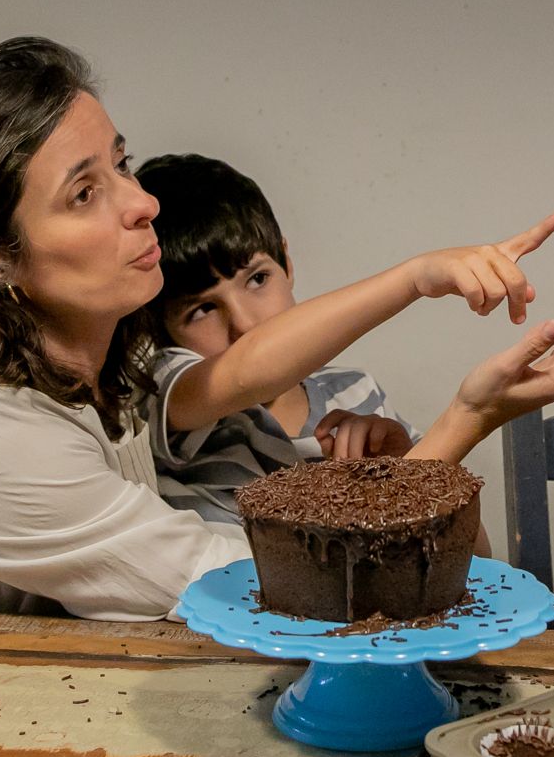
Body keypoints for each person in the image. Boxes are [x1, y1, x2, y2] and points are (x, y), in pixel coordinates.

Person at [0, 37, 554, 621]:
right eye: (84, 194)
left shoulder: (106, 374)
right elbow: (292, 584)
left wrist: (418, 281)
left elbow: (242, 374)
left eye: (122, 165)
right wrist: (471, 417)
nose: (142, 202)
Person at [133, 153, 422, 524]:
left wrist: (403, 471)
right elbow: (250, 370)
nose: (245, 324)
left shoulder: (356, 392)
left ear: (286, 263)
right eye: (202, 309)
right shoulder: (163, 395)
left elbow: (474, 553)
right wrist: (414, 280)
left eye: (257, 279)